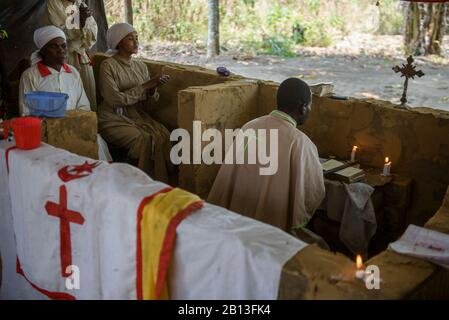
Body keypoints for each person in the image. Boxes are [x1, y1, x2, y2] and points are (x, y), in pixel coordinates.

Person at [207, 78, 325, 232]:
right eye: (310, 105)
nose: (310, 110)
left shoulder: (250, 126)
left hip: (235, 221)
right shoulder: (300, 142)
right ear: (303, 107)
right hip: (270, 231)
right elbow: (313, 192)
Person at [19, 25, 111, 161]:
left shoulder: (73, 72)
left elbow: (84, 107)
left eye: (63, 46)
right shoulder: (30, 76)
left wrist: (75, 124)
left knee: (97, 141)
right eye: (54, 47)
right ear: (42, 51)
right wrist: (52, 127)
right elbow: (26, 114)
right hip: (47, 134)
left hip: (74, 127)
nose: (61, 50)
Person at [98, 23, 174, 184]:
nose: (136, 42)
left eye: (137, 38)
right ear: (118, 42)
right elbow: (114, 99)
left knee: (164, 135)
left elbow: (148, 105)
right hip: (112, 118)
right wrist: (145, 86)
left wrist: (153, 89)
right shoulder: (108, 66)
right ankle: (135, 183)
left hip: (137, 116)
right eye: (130, 39)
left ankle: (159, 182)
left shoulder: (140, 66)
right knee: (142, 140)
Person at [46, 0, 98, 110]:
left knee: (88, 97)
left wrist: (82, 23)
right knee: (68, 97)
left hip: (82, 58)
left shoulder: (80, 4)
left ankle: (89, 124)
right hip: (63, 58)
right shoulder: (53, 3)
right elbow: (59, 34)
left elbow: (93, 34)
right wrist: (78, 21)